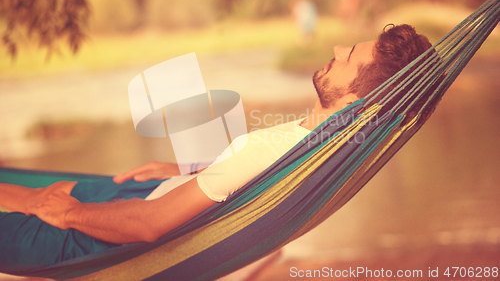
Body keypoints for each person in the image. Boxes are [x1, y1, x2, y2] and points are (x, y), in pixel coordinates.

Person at [0, 24, 433, 274]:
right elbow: (249, 178)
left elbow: (149, 227)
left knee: (43, 198)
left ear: (358, 101)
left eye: (349, 57)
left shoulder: (292, 148)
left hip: (103, 240)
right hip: (142, 196)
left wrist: (67, 214)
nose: (337, 48)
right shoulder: (315, 143)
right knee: (29, 190)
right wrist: (186, 173)